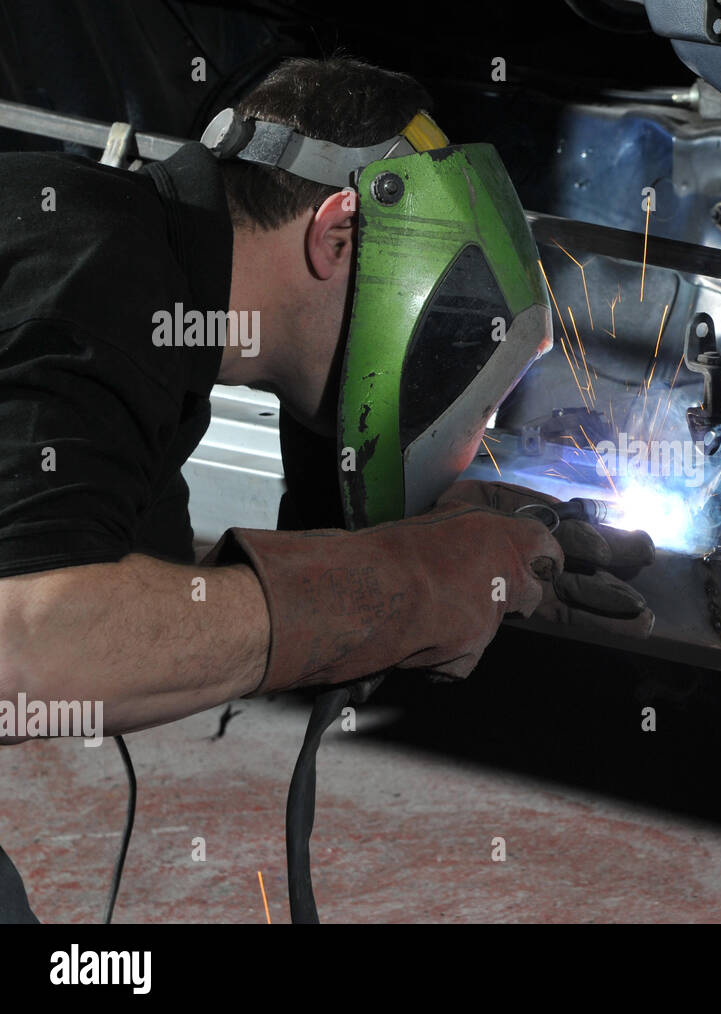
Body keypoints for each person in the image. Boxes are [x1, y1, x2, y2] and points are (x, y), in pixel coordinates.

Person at [0, 56, 654, 918]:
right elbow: (31, 654)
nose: (478, 425)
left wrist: (407, 564)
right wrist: (403, 587)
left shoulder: (146, 297)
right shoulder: (100, 271)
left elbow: (130, 655)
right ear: (336, 233)